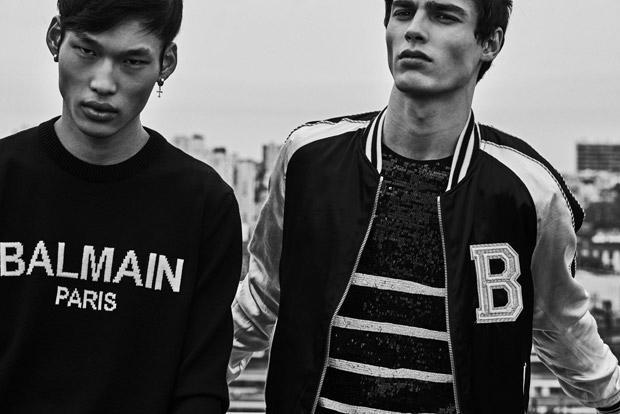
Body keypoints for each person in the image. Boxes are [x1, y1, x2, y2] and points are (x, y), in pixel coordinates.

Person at [228, 0, 620, 413]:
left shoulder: (528, 190)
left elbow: (560, 324)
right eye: (403, 11)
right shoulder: (309, 159)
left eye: (443, 15)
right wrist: (192, 386)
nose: (414, 30)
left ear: (489, 42)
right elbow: (261, 296)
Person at [0, 0, 241, 413]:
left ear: (166, 63)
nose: (103, 83)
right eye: (87, 50)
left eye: (132, 61)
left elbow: (201, 384)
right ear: (56, 38)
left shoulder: (204, 203)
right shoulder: (6, 178)